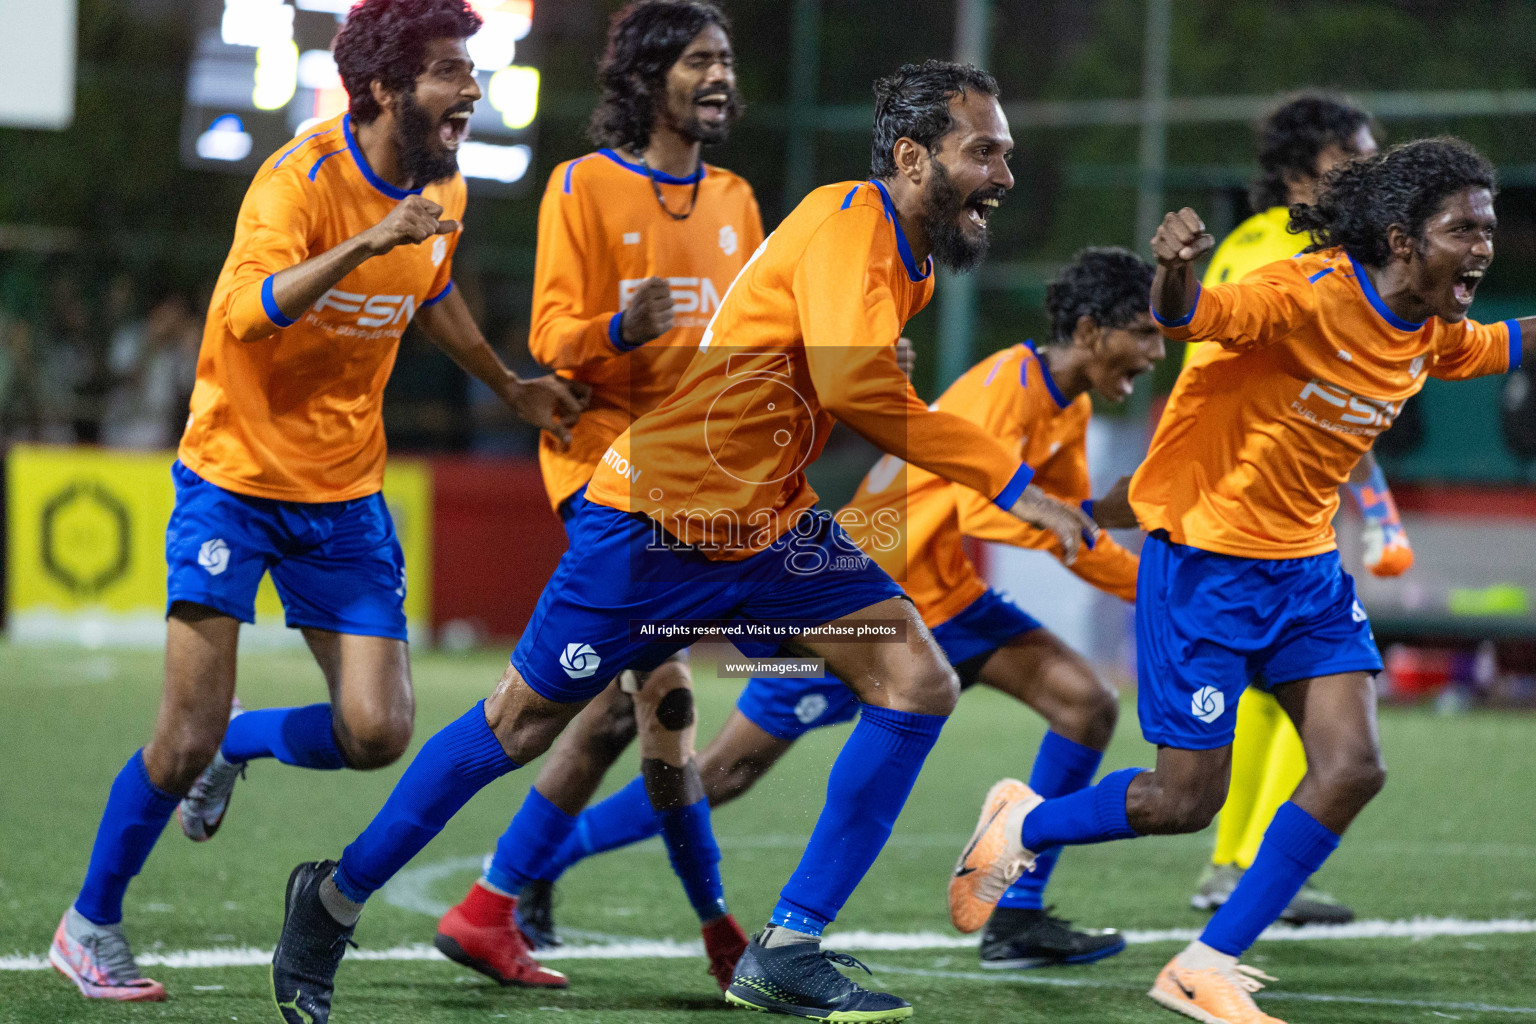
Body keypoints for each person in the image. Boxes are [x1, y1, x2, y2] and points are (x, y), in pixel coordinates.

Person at [270, 59, 1096, 1024]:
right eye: (984, 151)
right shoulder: (849, 221)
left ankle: (785, 948)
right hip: (655, 524)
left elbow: (832, 377)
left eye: (1006, 152)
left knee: (916, 678)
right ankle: (329, 903)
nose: (1003, 173)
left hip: (767, 529)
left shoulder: (903, 253)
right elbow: (857, 390)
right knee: (519, 727)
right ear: (912, 158)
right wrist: (1011, 485)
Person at [47, 0, 584, 1003]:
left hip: (343, 495)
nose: (471, 88)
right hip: (234, 482)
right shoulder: (298, 180)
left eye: (471, 69)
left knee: (377, 732)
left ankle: (238, 743)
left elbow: (431, 288)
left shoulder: (445, 185)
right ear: (384, 87)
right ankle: (90, 924)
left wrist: (508, 384)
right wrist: (371, 239)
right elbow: (249, 312)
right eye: (448, 72)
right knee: (177, 736)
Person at [950, 137, 1523, 1024]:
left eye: (1488, 227)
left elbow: (1503, 344)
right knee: (1184, 800)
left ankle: (1203, 963)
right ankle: (1020, 827)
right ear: (1403, 238)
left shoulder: (1432, 334)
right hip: (1206, 566)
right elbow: (1193, 316)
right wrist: (1174, 273)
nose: (1484, 245)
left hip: (1306, 578)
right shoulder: (1305, 294)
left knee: (1352, 767)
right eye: (1463, 228)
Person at [499, 247, 1164, 971]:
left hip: (948, 598)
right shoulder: (1007, 386)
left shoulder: (1065, 405)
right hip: (864, 597)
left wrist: (1144, 585)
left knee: (1088, 705)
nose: (1158, 352)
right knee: (723, 774)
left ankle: (1017, 919)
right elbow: (995, 511)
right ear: (1093, 331)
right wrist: (1135, 569)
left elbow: (1069, 529)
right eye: (1146, 333)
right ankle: (541, 861)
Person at [433, 0, 764, 992]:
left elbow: (753, 341)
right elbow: (548, 338)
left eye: (728, 60)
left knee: (635, 716)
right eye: (701, 59)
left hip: (698, 484)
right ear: (649, 75)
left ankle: (499, 902)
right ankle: (710, 936)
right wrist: (618, 328)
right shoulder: (582, 186)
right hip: (608, 476)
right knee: (643, 709)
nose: (721, 76)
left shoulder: (739, 200)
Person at [1190, 91, 1406, 925]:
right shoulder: (1284, 250)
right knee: (1293, 686)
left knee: (1287, 689)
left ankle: (1245, 869)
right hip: (1250, 498)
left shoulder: (1279, 243)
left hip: (1267, 492)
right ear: (1294, 174)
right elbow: (1311, 384)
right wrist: (1378, 509)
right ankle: (1238, 866)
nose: (1367, 171)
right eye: (1348, 160)